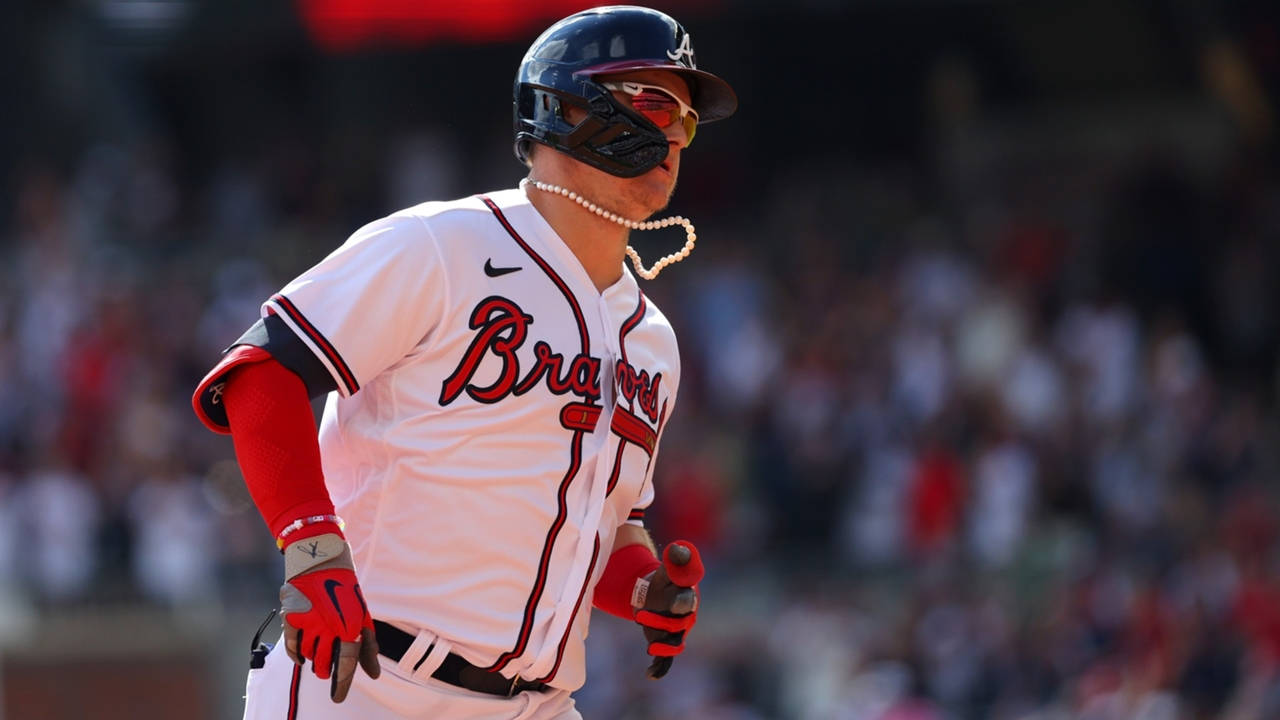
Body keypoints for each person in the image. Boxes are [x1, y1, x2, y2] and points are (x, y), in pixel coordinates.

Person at [191, 5, 737, 719]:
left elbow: (603, 527)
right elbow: (262, 374)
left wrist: (640, 589)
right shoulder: (440, 245)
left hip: (537, 704)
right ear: (568, 104)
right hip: (368, 682)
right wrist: (310, 543)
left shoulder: (652, 340)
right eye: (653, 101)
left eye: (685, 119)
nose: (673, 134)